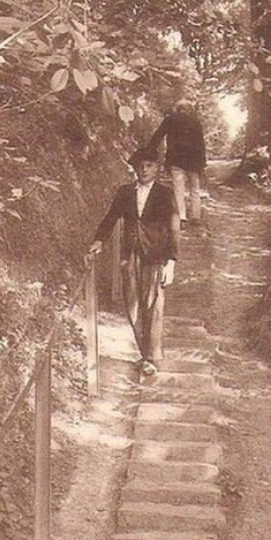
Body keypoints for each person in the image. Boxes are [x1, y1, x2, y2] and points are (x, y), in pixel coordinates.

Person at [88, 144, 180, 377]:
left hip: (156, 256)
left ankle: (152, 356)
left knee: (154, 304)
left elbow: (173, 228)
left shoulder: (165, 194)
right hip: (130, 255)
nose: (144, 169)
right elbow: (110, 218)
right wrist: (99, 241)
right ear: (135, 169)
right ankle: (143, 352)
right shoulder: (125, 192)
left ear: (157, 168)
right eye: (140, 166)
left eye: (149, 165)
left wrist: (171, 261)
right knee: (132, 305)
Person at [146, 99, 206, 227]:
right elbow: (201, 145)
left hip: (176, 159)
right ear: (189, 109)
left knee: (179, 188)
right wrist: (202, 163)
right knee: (195, 189)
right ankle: (196, 216)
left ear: (177, 109)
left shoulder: (170, 119)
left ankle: (182, 217)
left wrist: (148, 150)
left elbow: (158, 136)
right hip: (194, 161)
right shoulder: (196, 122)